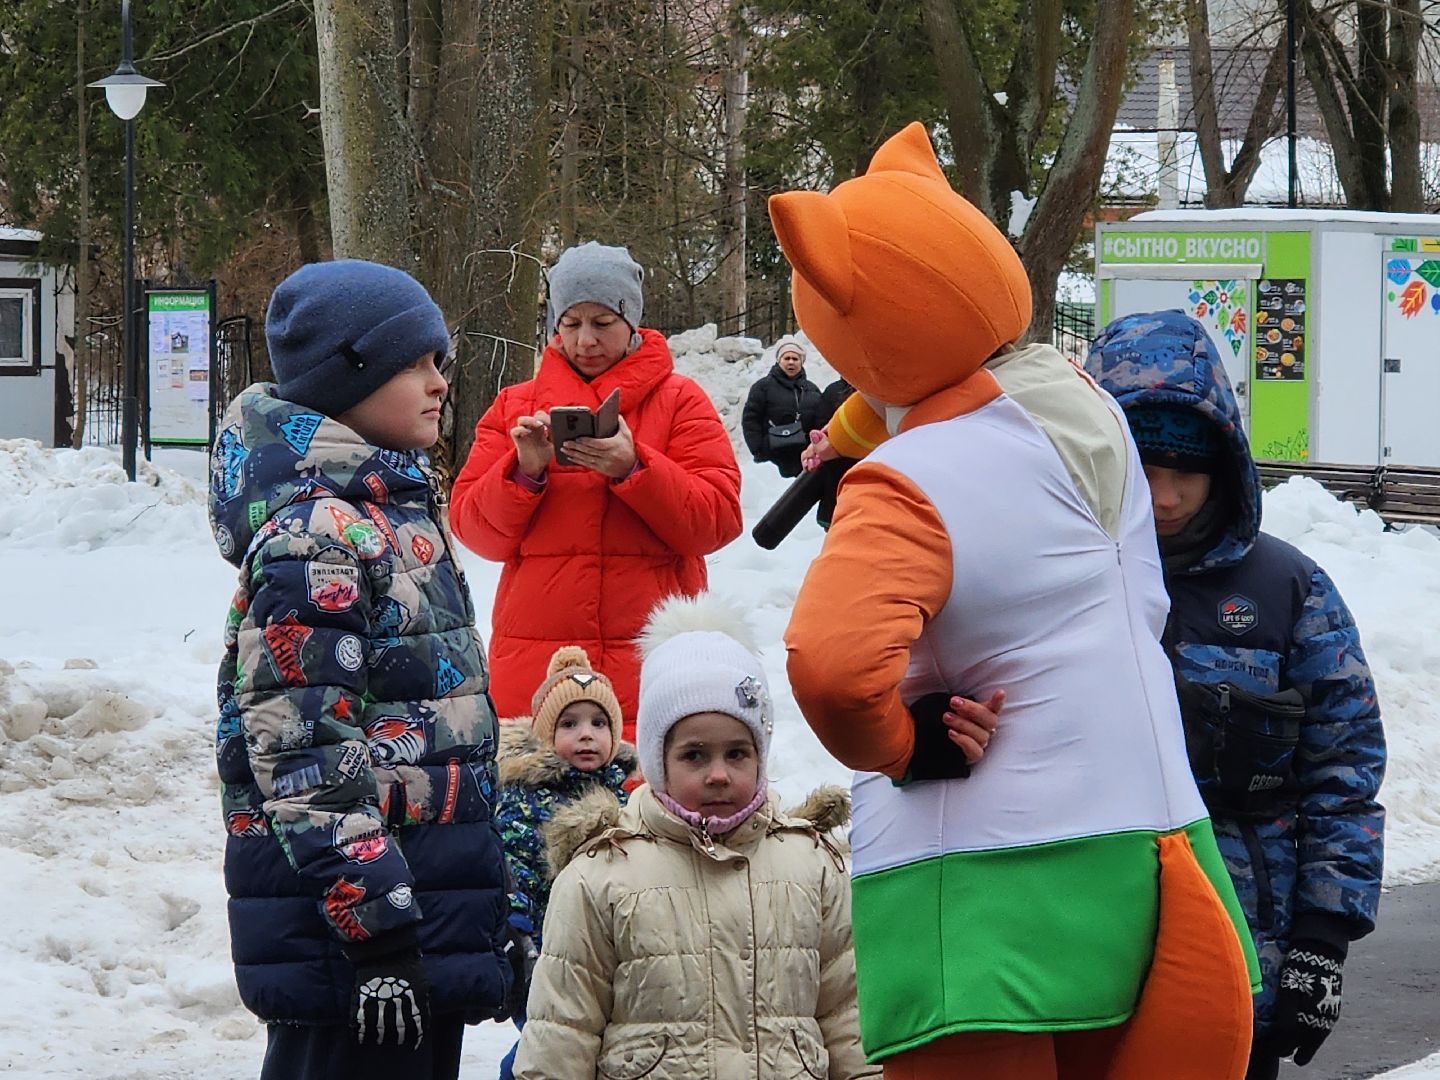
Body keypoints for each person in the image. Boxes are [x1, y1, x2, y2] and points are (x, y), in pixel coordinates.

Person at [771, 122, 1259, 1079]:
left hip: (984, 905)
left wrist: (905, 743)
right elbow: (950, 370)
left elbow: (830, 669)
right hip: (1152, 866)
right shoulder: (1089, 404)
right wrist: (860, 419)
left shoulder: (911, 485)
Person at [208, 259, 509, 1080]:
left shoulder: (394, 512)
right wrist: (377, 929)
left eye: (439, 361)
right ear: (347, 378)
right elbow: (304, 755)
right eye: (413, 364)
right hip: (354, 941)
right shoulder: (319, 537)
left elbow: (439, 725)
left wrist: (490, 895)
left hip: (416, 916)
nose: (438, 382)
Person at [1086, 310, 1386, 1080]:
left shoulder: (1288, 592)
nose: (1164, 497)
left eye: (1185, 469)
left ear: (1225, 463)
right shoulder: (1054, 577)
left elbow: (1343, 770)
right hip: (1080, 961)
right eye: (1141, 469)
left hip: (1239, 956)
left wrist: (1322, 942)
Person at [511, 593, 878, 1079]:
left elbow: (848, 1018)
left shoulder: (810, 865)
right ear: (658, 760)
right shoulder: (601, 873)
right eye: (695, 755)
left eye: (738, 754)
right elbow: (562, 1033)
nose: (719, 774)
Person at [450, 242, 742, 741]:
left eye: (602, 322)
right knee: (541, 807)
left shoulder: (679, 401)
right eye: (571, 323)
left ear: (631, 322)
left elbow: (716, 520)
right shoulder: (513, 406)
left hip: (650, 658)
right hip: (540, 668)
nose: (585, 340)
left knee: (650, 808)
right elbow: (476, 534)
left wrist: (636, 469)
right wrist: (523, 474)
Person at [492, 645, 637, 1080]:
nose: (587, 735)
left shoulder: (627, 798)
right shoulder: (523, 801)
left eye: (599, 723)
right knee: (544, 1045)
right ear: (545, 735)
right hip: (544, 951)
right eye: (569, 724)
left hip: (606, 952)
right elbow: (511, 869)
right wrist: (517, 936)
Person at [742, 333, 826, 478]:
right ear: (779, 360)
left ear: (801, 362)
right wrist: (759, 449)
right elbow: (750, 419)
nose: (791, 362)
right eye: (786, 358)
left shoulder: (812, 390)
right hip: (771, 462)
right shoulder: (762, 387)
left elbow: (820, 422)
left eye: (795, 359)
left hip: (803, 462)